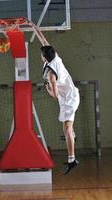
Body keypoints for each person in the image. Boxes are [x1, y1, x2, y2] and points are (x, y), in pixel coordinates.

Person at [29, 22, 80, 174]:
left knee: (67, 128)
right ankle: (72, 137)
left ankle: (72, 160)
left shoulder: (51, 73)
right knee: (68, 128)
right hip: (67, 97)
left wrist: (48, 89)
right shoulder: (54, 57)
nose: (40, 54)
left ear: (44, 57)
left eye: (41, 54)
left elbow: (55, 96)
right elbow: (43, 41)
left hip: (69, 98)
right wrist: (33, 26)